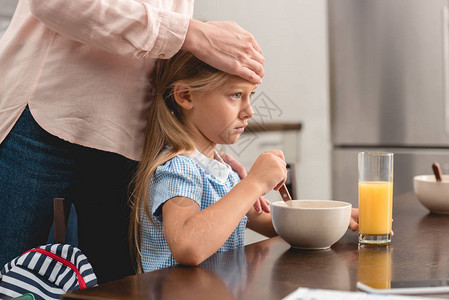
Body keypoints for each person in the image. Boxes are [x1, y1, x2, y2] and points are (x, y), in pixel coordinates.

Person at [0, 0, 266, 283]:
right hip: (43, 118)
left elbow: (168, 75)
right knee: (11, 280)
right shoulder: (176, 172)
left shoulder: (182, 164)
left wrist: (204, 150)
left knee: (117, 286)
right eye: (237, 95)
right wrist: (191, 34)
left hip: (128, 138)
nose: (249, 110)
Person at [130, 51, 360, 272]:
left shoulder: (221, 171)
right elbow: (188, 246)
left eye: (251, 96)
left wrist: (333, 218)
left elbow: (272, 225)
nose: (249, 111)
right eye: (236, 95)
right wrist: (254, 184)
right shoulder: (178, 167)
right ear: (185, 96)